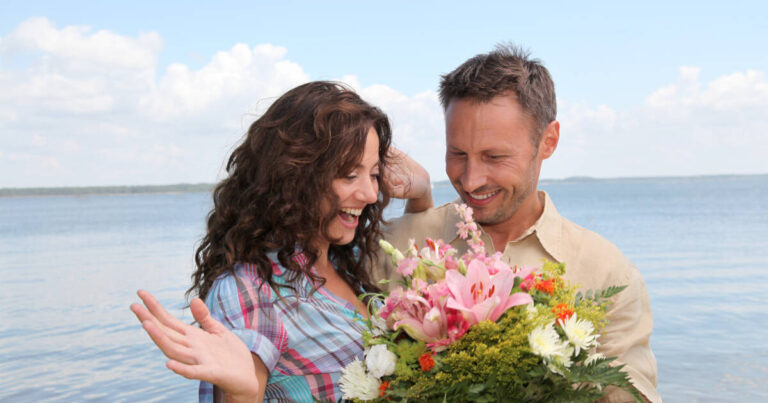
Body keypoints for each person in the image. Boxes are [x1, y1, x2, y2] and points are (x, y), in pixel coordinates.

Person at [373, 45, 660, 402]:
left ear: (548, 141)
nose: (472, 179)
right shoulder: (400, 243)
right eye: (457, 154)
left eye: (495, 157)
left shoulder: (606, 272)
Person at [131, 81, 432, 402]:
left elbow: (419, 228)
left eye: (373, 174)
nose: (371, 194)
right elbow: (244, 386)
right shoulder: (252, 289)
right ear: (295, 175)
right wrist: (242, 393)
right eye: (348, 174)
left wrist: (423, 188)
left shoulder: (348, 258)